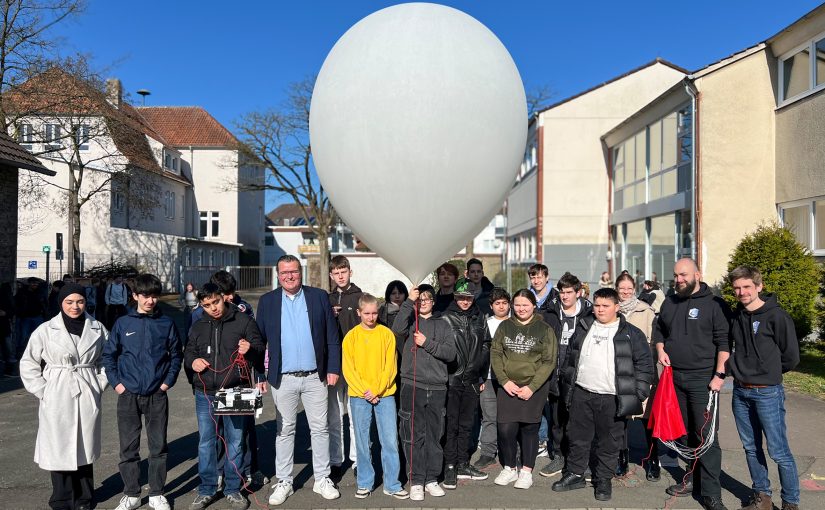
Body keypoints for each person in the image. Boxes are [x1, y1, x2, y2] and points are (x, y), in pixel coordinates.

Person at [552, 288, 653, 502]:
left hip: (612, 397)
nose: (600, 310)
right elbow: (570, 356)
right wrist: (566, 383)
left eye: (605, 306)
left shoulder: (631, 334)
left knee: (609, 442)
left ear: (616, 307)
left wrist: (638, 394)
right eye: (597, 305)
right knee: (577, 437)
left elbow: (645, 366)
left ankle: (603, 479)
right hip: (582, 392)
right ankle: (576, 474)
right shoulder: (584, 326)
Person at [257, 255, 341, 506]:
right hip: (283, 378)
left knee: (320, 428)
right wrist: (260, 374)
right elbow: (259, 340)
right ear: (278, 275)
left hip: (316, 376)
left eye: (293, 271)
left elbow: (331, 336)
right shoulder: (268, 301)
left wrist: (333, 367)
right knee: (284, 431)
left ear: (300, 272)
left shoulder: (318, 297)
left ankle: (322, 478)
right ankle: (284, 481)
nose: (289, 276)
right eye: (284, 273)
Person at [19, 283, 109, 510]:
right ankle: (61, 497)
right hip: (57, 391)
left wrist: (99, 383)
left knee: (85, 445)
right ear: (61, 303)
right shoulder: (45, 330)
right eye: (69, 302)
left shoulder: (97, 328)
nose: (75, 306)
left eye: (79, 301)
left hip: (87, 388)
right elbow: (28, 362)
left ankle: (85, 498)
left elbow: (109, 359)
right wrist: (42, 389)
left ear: (85, 302)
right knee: (59, 446)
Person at [654, 258, 731, 510]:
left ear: (698, 274)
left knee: (706, 435)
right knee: (684, 432)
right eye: (676, 275)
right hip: (675, 378)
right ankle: (691, 479)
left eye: (684, 275)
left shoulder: (715, 305)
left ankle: (710, 493)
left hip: (703, 380)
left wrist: (719, 376)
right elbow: (659, 330)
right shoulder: (670, 302)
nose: (679, 280)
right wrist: (660, 349)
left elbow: (724, 343)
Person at [102, 274, 183, 510]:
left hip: (157, 395)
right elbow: (109, 356)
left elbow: (176, 355)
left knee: (158, 447)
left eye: (155, 296)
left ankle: (157, 493)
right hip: (127, 395)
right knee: (128, 448)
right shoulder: (123, 323)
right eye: (145, 296)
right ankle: (132, 494)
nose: (151, 301)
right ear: (135, 296)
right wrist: (117, 384)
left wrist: (166, 383)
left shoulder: (166, 324)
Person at [186, 282, 265, 510]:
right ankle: (207, 489)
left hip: (236, 389)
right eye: (207, 305)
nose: (213, 308)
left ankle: (232, 489)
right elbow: (189, 351)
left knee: (236, 440)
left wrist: (249, 348)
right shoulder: (198, 325)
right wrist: (193, 361)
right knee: (206, 442)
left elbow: (260, 347)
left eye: (216, 302)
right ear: (202, 305)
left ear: (224, 298)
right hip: (205, 393)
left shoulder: (243, 321)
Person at [728, 266, 800, 510]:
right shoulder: (736, 316)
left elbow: (791, 356)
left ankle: (790, 502)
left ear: (759, 286)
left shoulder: (777, 316)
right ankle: (763, 497)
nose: (742, 292)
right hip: (740, 392)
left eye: (746, 286)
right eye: (737, 288)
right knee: (751, 448)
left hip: (767, 392)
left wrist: (768, 374)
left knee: (779, 451)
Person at [392, 284, 456, 501]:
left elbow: (450, 354)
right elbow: (396, 329)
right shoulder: (410, 321)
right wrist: (409, 301)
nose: (424, 302)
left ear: (434, 301)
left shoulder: (444, 324)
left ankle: (431, 479)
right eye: (421, 299)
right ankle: (416, 480)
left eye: (428, 298)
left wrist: (427, 343)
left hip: (437, 386)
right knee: (413, 435)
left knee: (435, 436)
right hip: (413, 385)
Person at [342, 294, 409, 499]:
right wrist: (365, 391)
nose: (371, 317)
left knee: (389, 440)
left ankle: (392, 483)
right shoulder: (351, 337)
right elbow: (349, 369)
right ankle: (364, 482)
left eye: (374, 313)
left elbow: (391, 366)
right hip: (359, 395)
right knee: (362, 441)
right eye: (367, 313)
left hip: (385, 394)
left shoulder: (386, 334)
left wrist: (377, 390)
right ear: (359, 312)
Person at [490, 289, 557, 490]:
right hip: (507, 385)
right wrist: (504, 380)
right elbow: (496, 354)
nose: (521, 308)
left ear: (533, 305)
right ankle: (509, 468)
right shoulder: (505, 326)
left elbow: (549, 361)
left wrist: (532, 387)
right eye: (517, 304)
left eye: (525, 304)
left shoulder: (544, 329)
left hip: (533, 388)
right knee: (505, 429)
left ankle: (526, 471)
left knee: (529, 429)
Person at [539, 272, 593, 478]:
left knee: (579, 422)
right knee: (557, 422)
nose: (564, 296)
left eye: (569, 292)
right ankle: (559, 457)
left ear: (578, 293)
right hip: (556, 377)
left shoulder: (589, 314)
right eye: (562, 292)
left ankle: (579, 461)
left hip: (580, 378)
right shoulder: (550, 313)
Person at [441, 277, 491, 488]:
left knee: (466, 425)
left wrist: (479, 370)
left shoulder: (480, 317)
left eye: (468, 297)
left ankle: (463, 462)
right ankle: (450, 466)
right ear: (455, 297)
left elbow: (487, 343)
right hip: (452, 380)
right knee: (451, 425)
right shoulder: (445, 318)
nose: (465, 301)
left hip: (471, 379)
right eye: (461, 297)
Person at [614, 271, 659, 480]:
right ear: (616, 289)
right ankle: (622, 457)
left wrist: (650, 376)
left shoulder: (646, 311)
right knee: (620, 418)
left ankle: (653, 458)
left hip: (642, 372)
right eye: (622, 288)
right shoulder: (611, 311)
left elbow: (653, 345)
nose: (625, 292)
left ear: (635, 289)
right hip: (618, 372)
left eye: (629, 289)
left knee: (647, 418)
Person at [327, 255, 362, 475]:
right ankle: (336, 459)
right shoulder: (326, 298)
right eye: (336, 273)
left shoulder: (360, 297)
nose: (340, 276)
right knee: (335, 414)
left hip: (356, 364)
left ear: (350, 272)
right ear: (331, 275)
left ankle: (358, 459)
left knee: (356, 413)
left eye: (344, 271)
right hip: (333, 365)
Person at [474, 287, 511, 470]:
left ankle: (512, 452)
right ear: (491, 306)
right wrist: (480, 378)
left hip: (510, 380)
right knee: (489, 417)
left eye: (504, 303)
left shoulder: (515, 323)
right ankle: (488, 453)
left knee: (510, 418)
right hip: (488, 378)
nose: (501, 306)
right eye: (497, 303)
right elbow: (479, 353)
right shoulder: (485, 324)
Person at [14, 277, 46, 362]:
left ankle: (38, 354)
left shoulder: (40, 292)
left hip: (37, 316)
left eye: (36, 283)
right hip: (26, 317)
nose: (35, 285)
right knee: (23, 336)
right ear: (29, 283)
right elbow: (17, 303)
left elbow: (45, 303)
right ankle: (21, 353)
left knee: (39, 336)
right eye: (33, 283)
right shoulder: (22, 292)